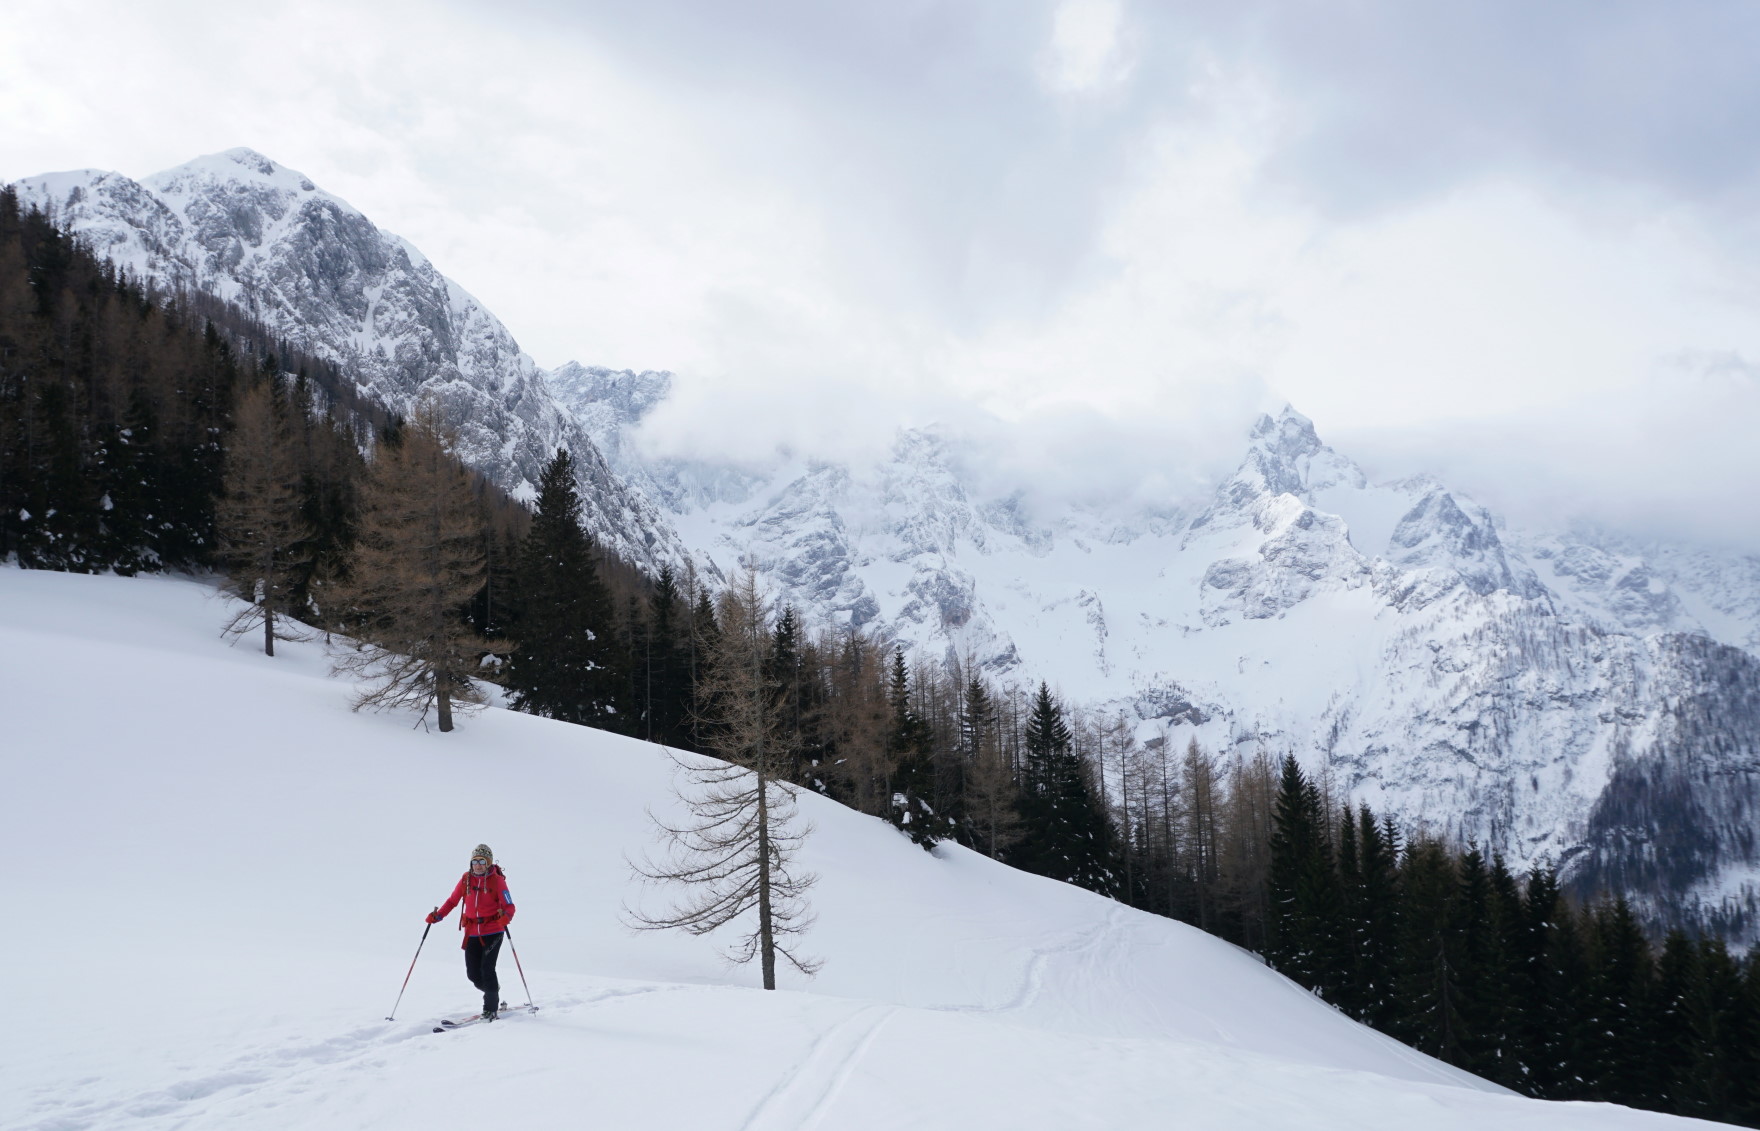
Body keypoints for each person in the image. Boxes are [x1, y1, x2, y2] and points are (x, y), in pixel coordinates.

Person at [427, 843, 516, 1020]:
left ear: (488, 863)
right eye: (475, 861)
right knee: (473, 974)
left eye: (482, 861)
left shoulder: (497, 881)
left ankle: (490, 1009)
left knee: (487, 969)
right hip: (472, 932)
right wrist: (438, 915)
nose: (478, 865)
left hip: (493, 930)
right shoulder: (466, 879)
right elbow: (452, 901)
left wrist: (506, 917)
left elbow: (509, 905)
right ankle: (493, 991)